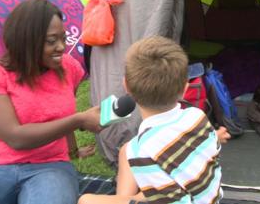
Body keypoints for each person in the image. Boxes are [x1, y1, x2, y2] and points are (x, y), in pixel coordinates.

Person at [0, 0, 102, 204]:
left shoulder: (67, 67)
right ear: (26, 39)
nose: (61, 47)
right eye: (51, 41)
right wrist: (79, 120)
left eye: (63, 38)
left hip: (51, 165)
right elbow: (15, 137)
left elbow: (65, 114)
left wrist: (72, 151)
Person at [78, 36, 231, 204]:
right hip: (202, 198)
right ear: (185, 87)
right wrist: (215, 136)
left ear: (126, 86)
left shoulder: (140, 151)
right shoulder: (196, 116)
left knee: (85, 200)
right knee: (126, 151)